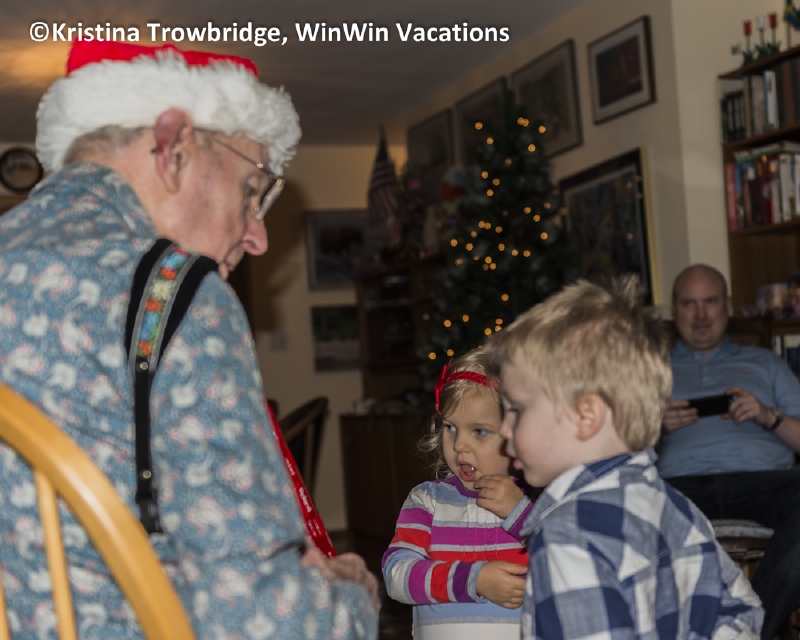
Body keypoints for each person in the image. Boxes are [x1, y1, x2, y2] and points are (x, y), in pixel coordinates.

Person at [0, 40, 378, 639]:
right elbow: (264, 623)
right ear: (173, 146)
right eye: (252, 190)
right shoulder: (169, 292)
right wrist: (353, 598)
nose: (258, 237)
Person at [486, 278, 763, 640]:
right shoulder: (678, 509)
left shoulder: (567, 536)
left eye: (516, 409)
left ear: (587, 416)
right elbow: (742, 611)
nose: (503, 428)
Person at [658, 263, 800, 640]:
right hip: (676, 490)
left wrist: (768, 416)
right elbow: (611, 448)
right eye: (689, 303)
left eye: (710, 302)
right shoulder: (649, 370)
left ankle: (748, 629)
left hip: (764, 483)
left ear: (728, 305)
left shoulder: (767, 363)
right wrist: (653, 428)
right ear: (674, 310)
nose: (701, 315)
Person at [382, 349, 534, 640]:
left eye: (479, 431)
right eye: (450, 427)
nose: (459, 445)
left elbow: (569, 561)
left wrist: (520, 512)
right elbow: (396, 575)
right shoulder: (427, 501)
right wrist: (473, 580)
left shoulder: (538, 501)